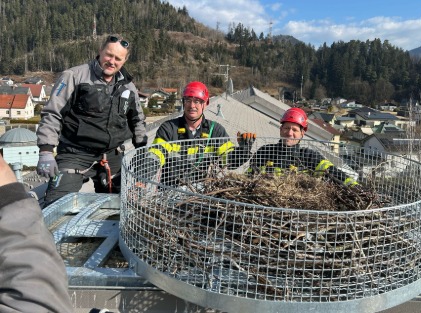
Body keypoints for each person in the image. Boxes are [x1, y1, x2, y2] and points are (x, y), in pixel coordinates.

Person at [36, 34, 148, 207]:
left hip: (112, 155)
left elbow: (138, 120)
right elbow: (53, 113)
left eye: (118, 58)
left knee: (127, 204)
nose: (112, 61)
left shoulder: (128, 87)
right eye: (109, 55)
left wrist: (142, 152)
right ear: (100, 51)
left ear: (124, 61)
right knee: (56, 206)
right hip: (75, 153)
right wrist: (46, 151)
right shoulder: (74, 76)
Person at [142, 81, 253, 186]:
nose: (192, 106)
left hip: (203, 195)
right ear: (183, 102)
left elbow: (227, 161)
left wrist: (243, 151)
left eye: (197, 101)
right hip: (170, 191)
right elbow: (155, 155)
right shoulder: (169, 129)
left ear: (205, 104)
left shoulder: (215, 131)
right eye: (188, 100)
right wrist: (142, 179)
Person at [0, 155, 73, 312]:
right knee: (59, 192)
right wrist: (10, 199)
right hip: (77, 152)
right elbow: (35, 301)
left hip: (110, 152)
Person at [249, 107, 358, 186]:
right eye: (286, 128)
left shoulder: (309, 157)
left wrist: (356, 188)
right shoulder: (264, 151)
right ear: (281, 130)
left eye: (295, 130)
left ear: (302, 133)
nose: (290, 133)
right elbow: (249, 178)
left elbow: (334, 173)